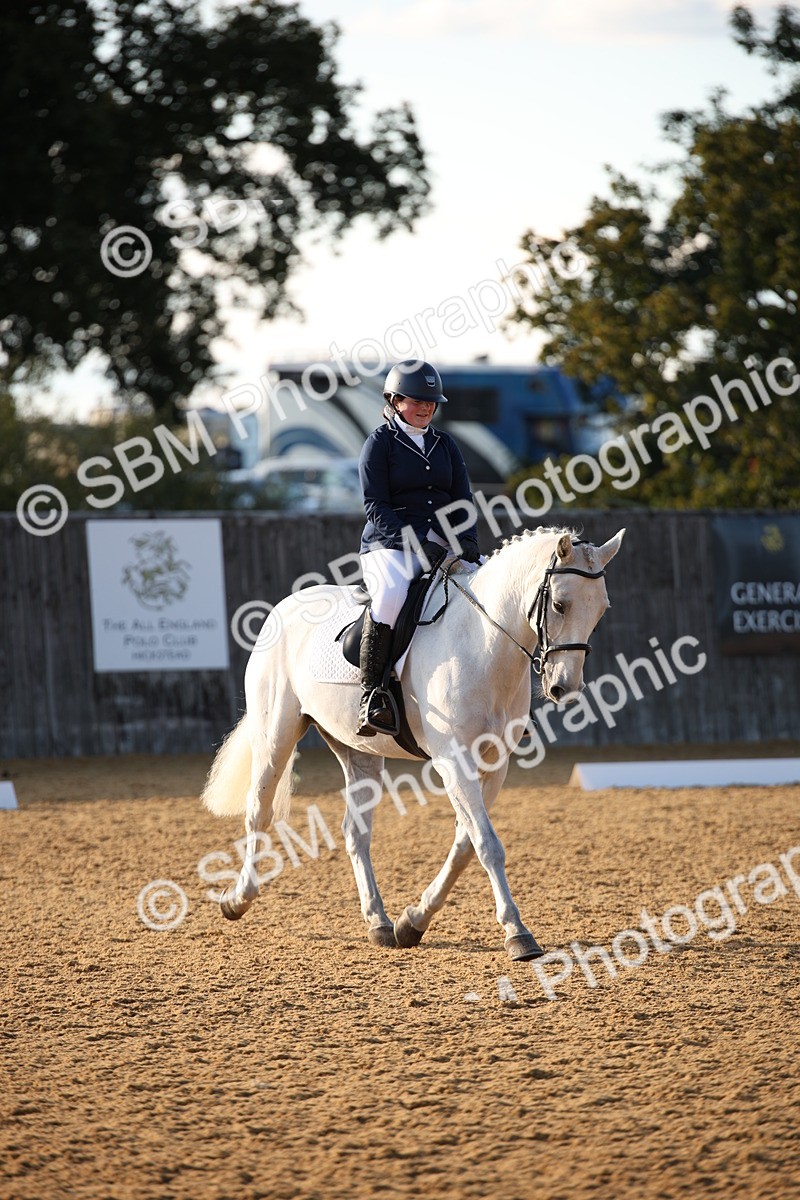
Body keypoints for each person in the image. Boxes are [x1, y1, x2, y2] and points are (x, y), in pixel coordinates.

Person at [356, 358, 481, 736]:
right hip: (389, 545)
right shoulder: (379, 443)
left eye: (431, 402)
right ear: (394, 401)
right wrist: (415, 546)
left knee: (490, 591)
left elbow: (462, 499)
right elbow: (375, 505)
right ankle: (372, 694)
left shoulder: (445, 444)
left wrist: (469, 543)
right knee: (391, 596)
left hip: (442, 543)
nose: (427, 407)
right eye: (417, 400)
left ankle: (500, 699)